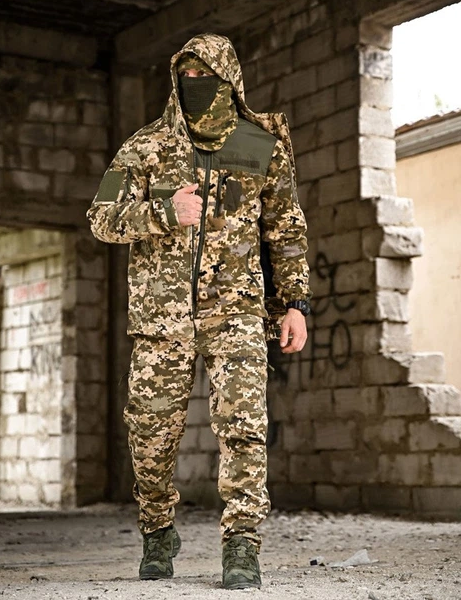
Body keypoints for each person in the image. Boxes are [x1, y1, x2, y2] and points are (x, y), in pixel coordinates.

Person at [87, 33, 311, 590]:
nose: (193, 85)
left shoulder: (261, 144)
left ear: (228, 80)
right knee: (150, 434)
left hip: (236, 313)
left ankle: (242, 546)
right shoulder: (145, 146)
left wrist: (295, 304)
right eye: (184, 76)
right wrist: (164, 211)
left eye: (204, 76)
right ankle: (158, 532)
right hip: (161, 320)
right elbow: (100, 218)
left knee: (244, 430)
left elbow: (285, 230)